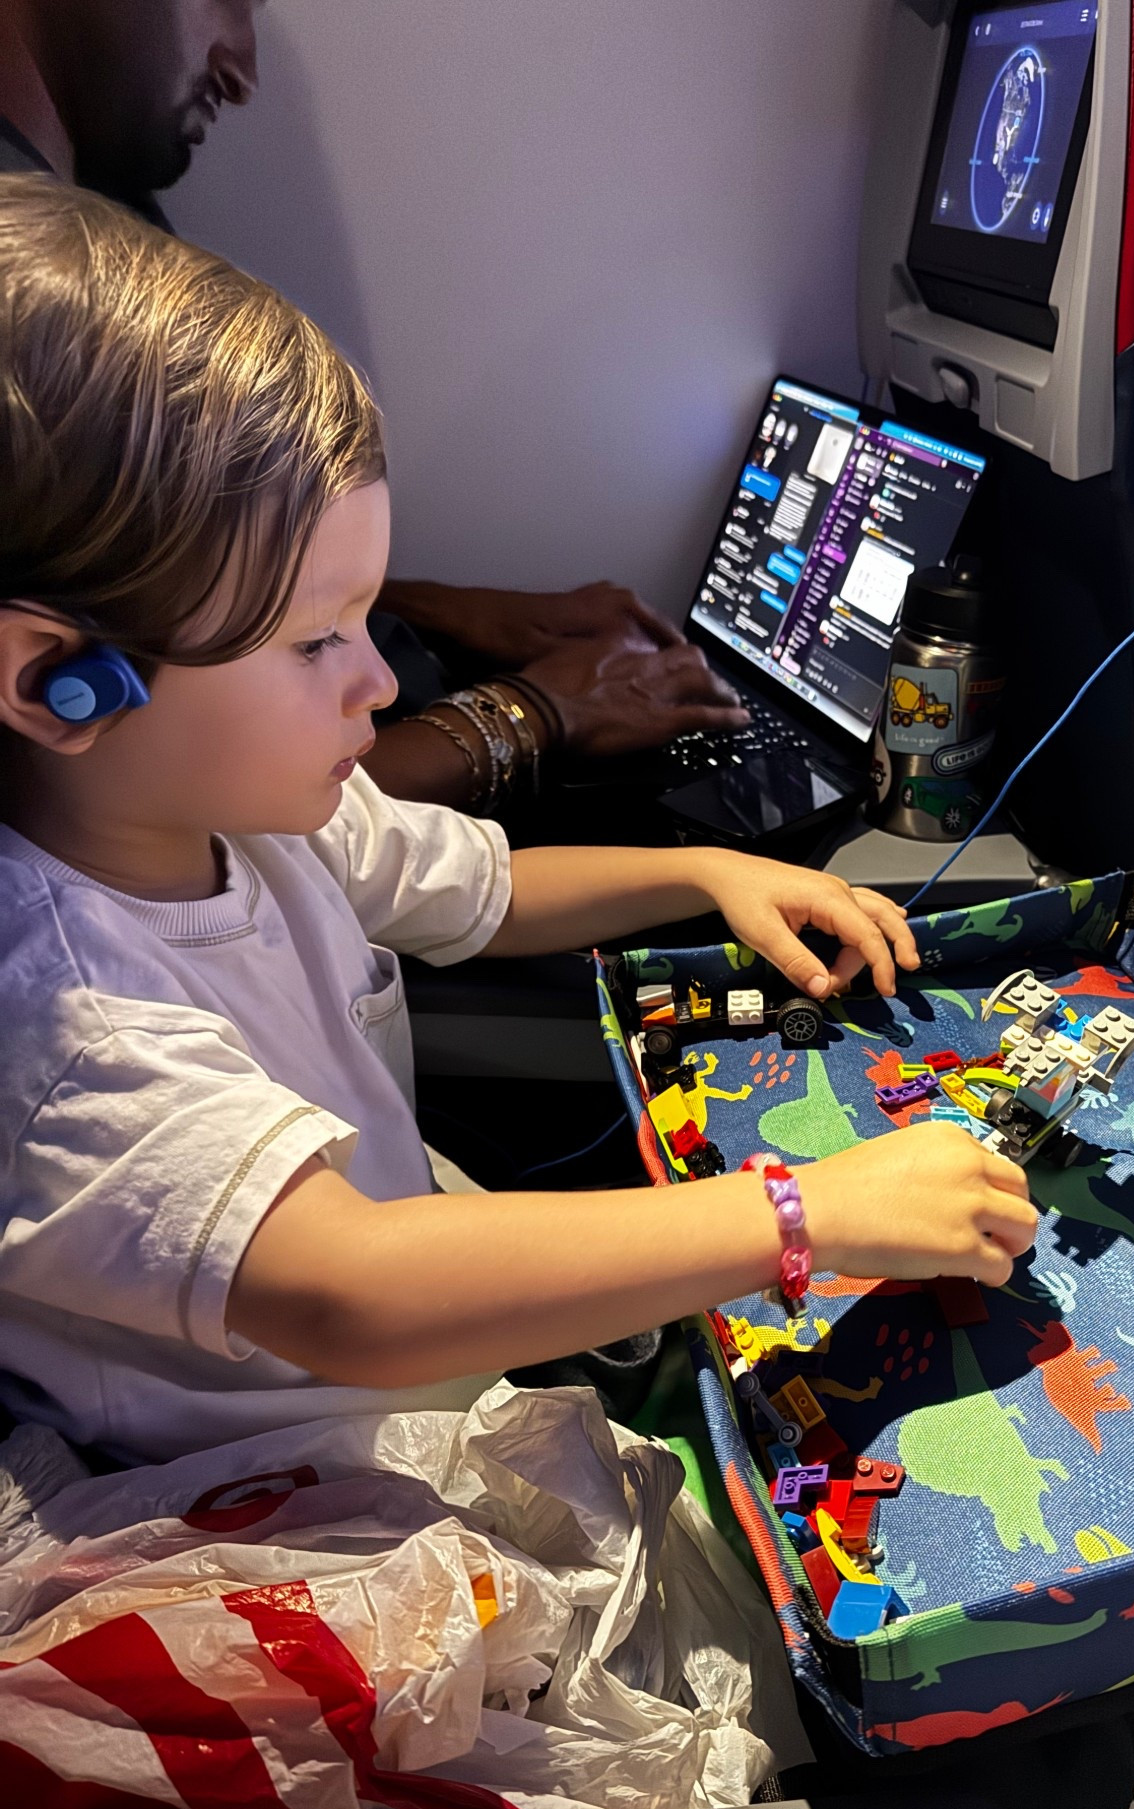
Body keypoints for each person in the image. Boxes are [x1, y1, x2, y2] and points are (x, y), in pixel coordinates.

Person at [0, 177, 1038, 1466]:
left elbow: (485, 888)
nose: (377, 684)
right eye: (313, 640)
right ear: (60, 682)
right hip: (299, 1499)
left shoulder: (261, 821)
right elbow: (353, 1290)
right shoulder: (60, 1028)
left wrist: (711, 872)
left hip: (425, 1395)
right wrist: (801, 1207)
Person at [0, 0, 751, 811]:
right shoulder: (33, 295)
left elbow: (179, 583)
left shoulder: (97, 213)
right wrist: (531, 714)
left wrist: (445, 612)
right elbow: (195, 804)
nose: (242, 71)